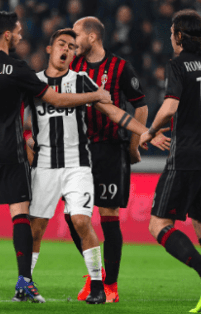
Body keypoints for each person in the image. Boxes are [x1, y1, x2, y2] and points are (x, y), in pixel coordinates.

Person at [0, 11, 112, 301]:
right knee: (21, 216)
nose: (21, 36)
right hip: (10, 151)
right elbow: (55, 99)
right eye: (19, 31)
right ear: (7, 34)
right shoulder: (18, 69)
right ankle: (24, 282)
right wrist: (95, 95)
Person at [26, 28, 170, 304]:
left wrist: (147, 133)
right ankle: (26, 283)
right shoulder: (33, 82)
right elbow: (13, 117)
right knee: (36, 228)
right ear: (49, 49)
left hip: (78, 162)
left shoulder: (82, 80)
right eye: (60, 44)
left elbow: (116, 112)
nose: (66, 49)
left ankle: (98, 286)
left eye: (71, 45)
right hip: (44, 164)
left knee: (81, 219)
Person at [139, 9, 201, 313]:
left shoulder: (177, 64)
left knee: (158, 224)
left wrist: (150, 131)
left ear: (180, 36)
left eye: (172, 33)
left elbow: (170, 106)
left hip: (185, 156)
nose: (170, 38)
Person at [69, 16, 148, 302]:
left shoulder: (120, 67)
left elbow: (141, 106)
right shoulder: (71, 65)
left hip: (110, 150)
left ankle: (110, 286)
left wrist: (133, 145)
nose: (72, 40)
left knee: (108, 216)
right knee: (72, 216)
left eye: (76, 34)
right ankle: (97, 275)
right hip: (78, 151)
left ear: (92, 37)